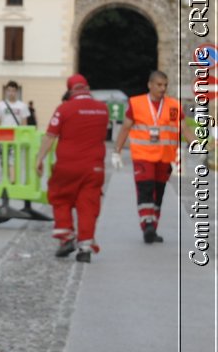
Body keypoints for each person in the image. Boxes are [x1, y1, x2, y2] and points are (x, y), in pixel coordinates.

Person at [38, 74, 110, 262]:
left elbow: (50, 136)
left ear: (70, 90)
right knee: (88, 204)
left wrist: (39, 159)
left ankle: (66, 236)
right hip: (95, 167)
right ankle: (85, 247)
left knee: (60, 197)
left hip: (67, 165)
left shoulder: (64, 109)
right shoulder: (103, 109)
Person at [112, 70, 183, 243]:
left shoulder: (174, 105)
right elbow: (125, 128)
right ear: (150, 85)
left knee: (158, 194)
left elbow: (184, 129)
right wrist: (117, 150)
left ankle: (152, 228)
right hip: (143, 156)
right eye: (159, 85)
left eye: (165, 85)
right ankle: (147, 224)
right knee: (145, 189)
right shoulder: (136, 103)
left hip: (165, 157)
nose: (162, 88)